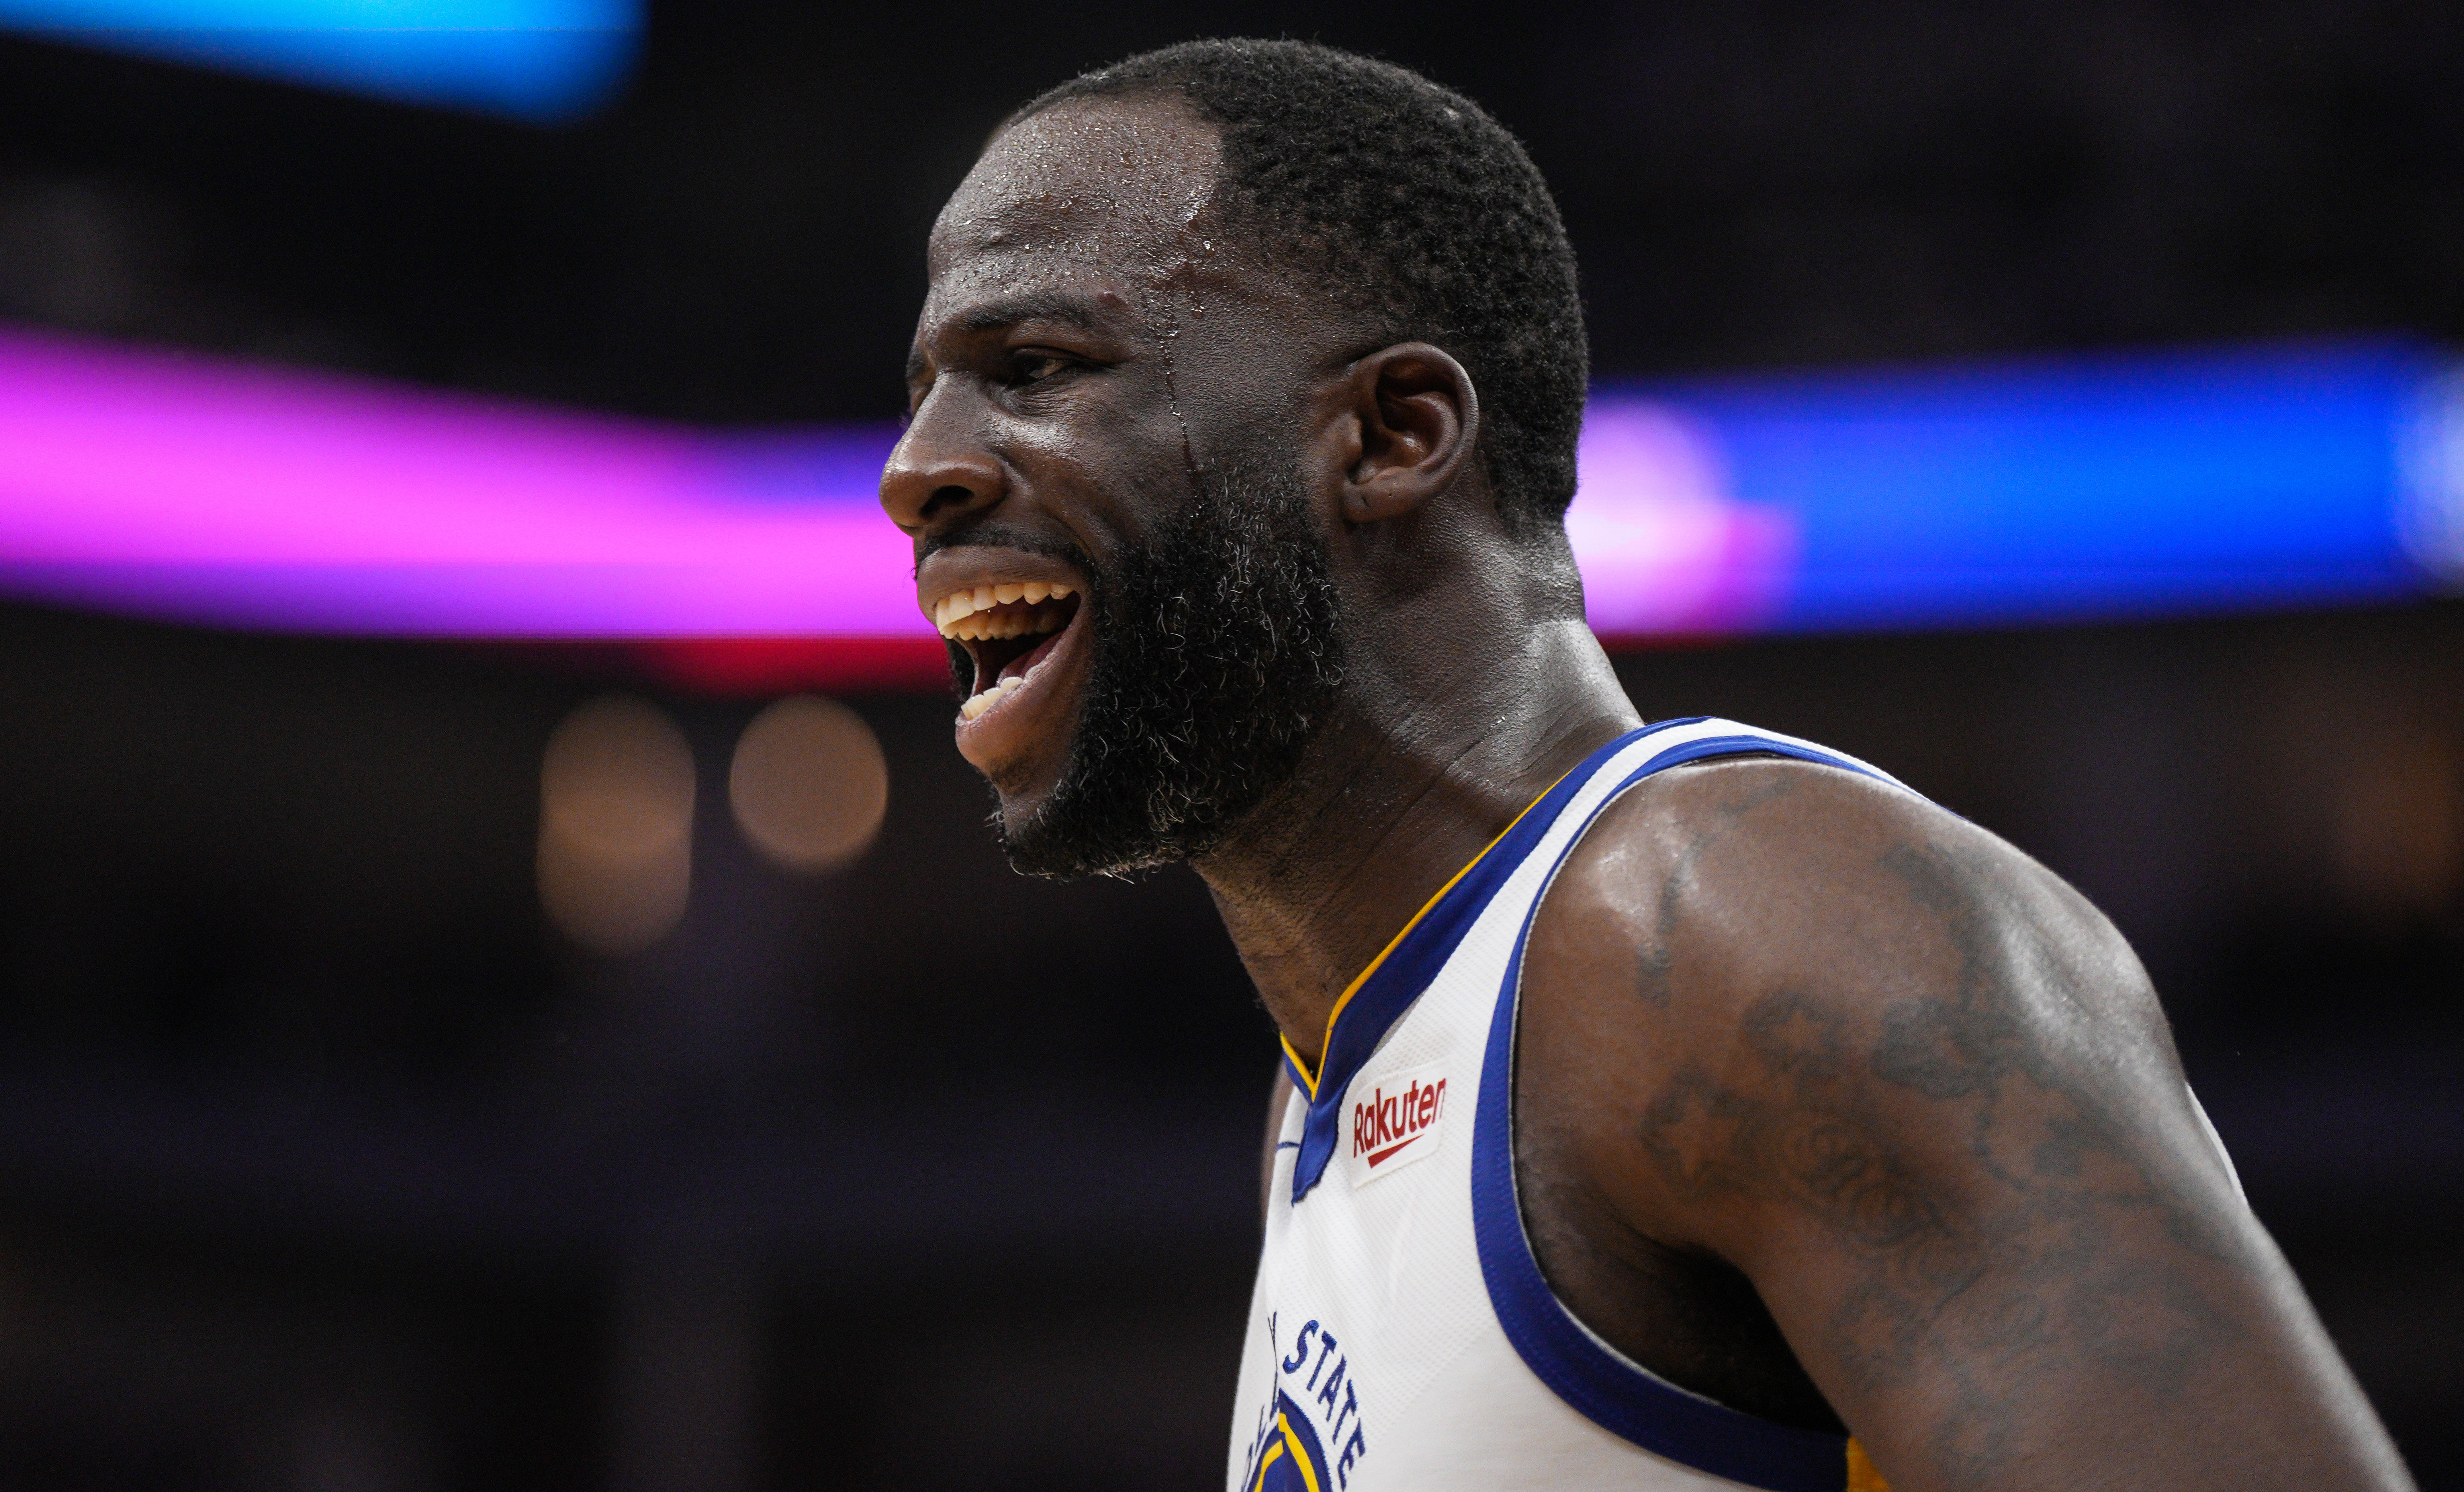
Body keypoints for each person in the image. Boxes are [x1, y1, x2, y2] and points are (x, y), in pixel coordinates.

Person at [877, 37, 2410, 1492]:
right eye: (926, 387)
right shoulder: (1346, 1060)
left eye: (1034, 364)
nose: (912, 472)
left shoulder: (1739, 933)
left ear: (1393, 434)